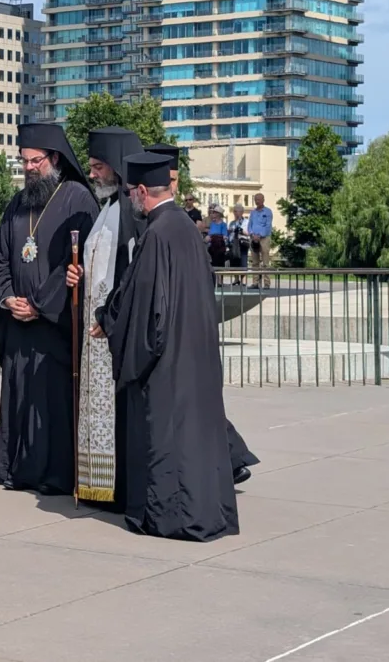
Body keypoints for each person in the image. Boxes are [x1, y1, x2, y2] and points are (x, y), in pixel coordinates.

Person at [93, 152, 239, 541]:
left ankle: (172, 518)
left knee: (169, 441)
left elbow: (142, 306)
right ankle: (208, 512)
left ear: (142, 191)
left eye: (131, 193)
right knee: (196, 441)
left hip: (167, 361)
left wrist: (107, 321)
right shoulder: (187, 228)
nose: (130, 200)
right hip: (195, 352)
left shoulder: (156, 234)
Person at [0, 122, 99, 494]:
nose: (29, 168)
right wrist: (7, 298)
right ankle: (17, 470)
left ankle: (53, 475)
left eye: (35, 161)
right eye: (24, 161)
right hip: (18, 324)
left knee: (50, 403)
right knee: (18, 399)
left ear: (55, 159)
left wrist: (40, 305)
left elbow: (75, 263)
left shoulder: (77, 198)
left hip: (54, 325)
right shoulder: (18, 204)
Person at [146, 145, 259, 483]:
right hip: (174, 325)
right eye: (169, 179)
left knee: (197, 403)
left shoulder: (176, 221)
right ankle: (228, 458)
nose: (174, 185)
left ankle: (229, 458)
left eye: (176, 178)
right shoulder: (156, 219)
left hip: (189, 324)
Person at [64, 126, 144, 510]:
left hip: (111, 328)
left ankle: (115, 485)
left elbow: (131, 276)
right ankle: (97, 484)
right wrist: (77, 276)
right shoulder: (107, 210)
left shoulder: (130, 210)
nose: (92, 174)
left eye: (98, 167)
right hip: (94, 330)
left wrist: (109, 317)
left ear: (116, 168)